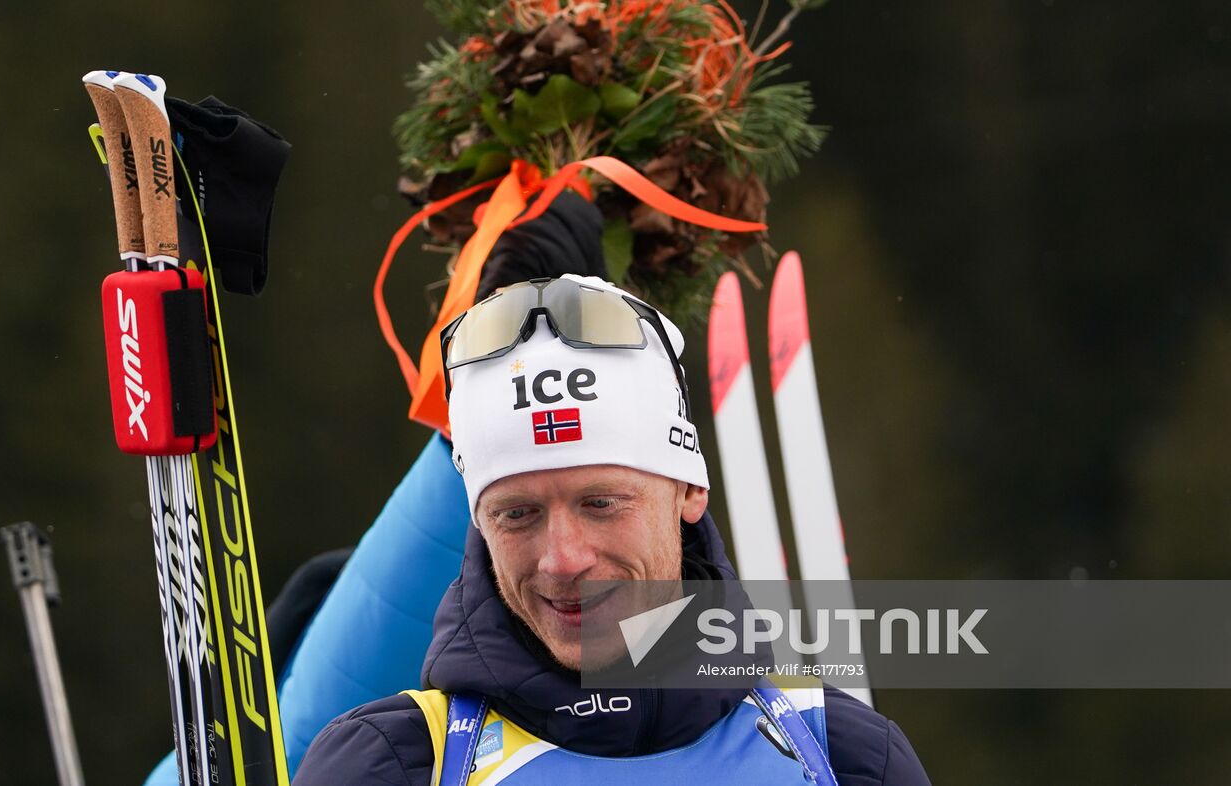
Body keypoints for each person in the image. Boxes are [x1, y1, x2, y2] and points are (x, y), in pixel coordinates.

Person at [292, 274, 931, 785]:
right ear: (479, 522)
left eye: (601, 503)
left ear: (689, 489)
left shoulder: (847, 756)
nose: (563, 559)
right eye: (518, 514)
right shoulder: (394, 763)